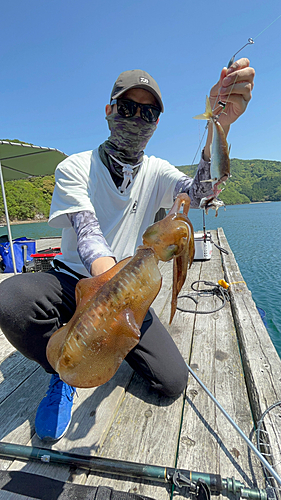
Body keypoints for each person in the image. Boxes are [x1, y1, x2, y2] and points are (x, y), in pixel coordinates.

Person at [0, 60, 255, 441]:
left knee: (171, 380)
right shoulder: (76, 166)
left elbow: (200, 193)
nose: (137, 117)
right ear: (108, 111)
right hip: (72, 280)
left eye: (148, 112)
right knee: (10, 299)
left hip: (128, 290)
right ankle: (63, 374)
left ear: (156, 122)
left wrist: (223, 125)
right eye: (127, 108)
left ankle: (107, 351)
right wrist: (110, 298)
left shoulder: (157, 171)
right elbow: (88, 236)